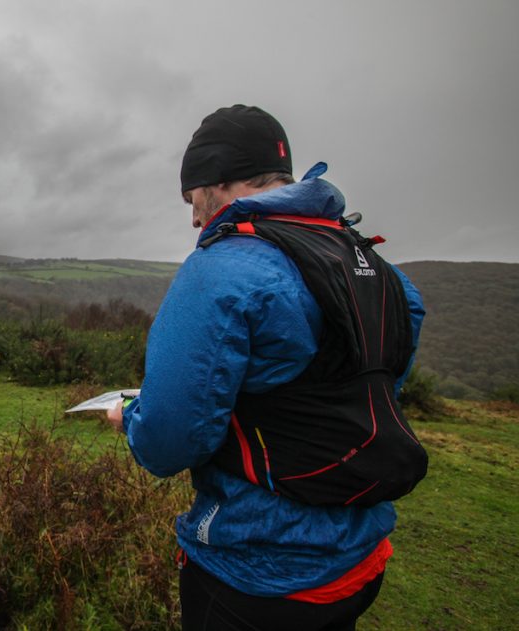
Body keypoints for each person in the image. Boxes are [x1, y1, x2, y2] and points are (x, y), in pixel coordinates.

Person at [107, 104, 426, 630]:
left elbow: (169, 442)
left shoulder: (223, 270)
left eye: (192, 199)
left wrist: (132, 419)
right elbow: (373, 389)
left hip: (254, 569)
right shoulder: (370, 263)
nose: (192, 218)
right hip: (359, 558)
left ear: (217, 182)